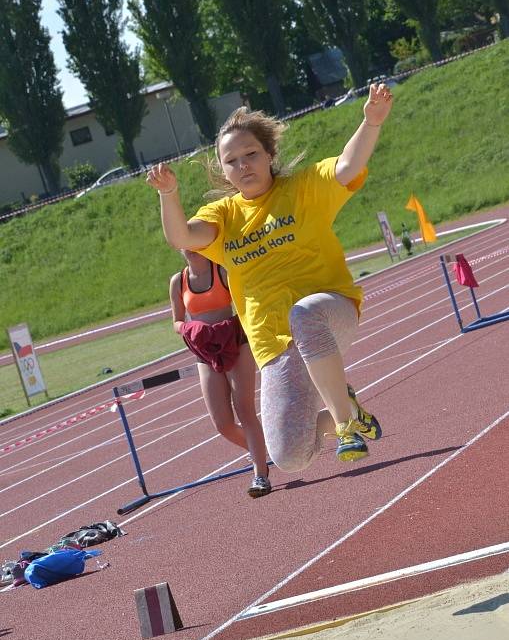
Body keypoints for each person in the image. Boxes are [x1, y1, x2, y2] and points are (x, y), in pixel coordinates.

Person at [147, 82, 393, 473]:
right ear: (223, 170)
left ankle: (346, 426)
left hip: (329, 314)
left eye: (251, 154)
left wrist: (372, 122)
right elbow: (181, 236)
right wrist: (169, 194)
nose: (243, 165)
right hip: (272, 345)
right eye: (232, 161)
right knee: (289, 457)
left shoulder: (304, 188)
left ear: (269, 155)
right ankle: (344, 411)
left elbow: (347, 165)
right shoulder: (223, 217)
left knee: (304, 313)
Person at [169, 249, 271, 497]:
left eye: (193, 241)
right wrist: (191, 328)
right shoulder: (178, 280)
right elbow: (176, 321)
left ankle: (260, 474)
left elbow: (246, 304)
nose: (189, 248)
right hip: (204, 350)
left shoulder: (222, 271)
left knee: (244, 408)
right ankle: (266, 451)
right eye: (184, 243)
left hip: (234, 343)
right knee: (222, 423)